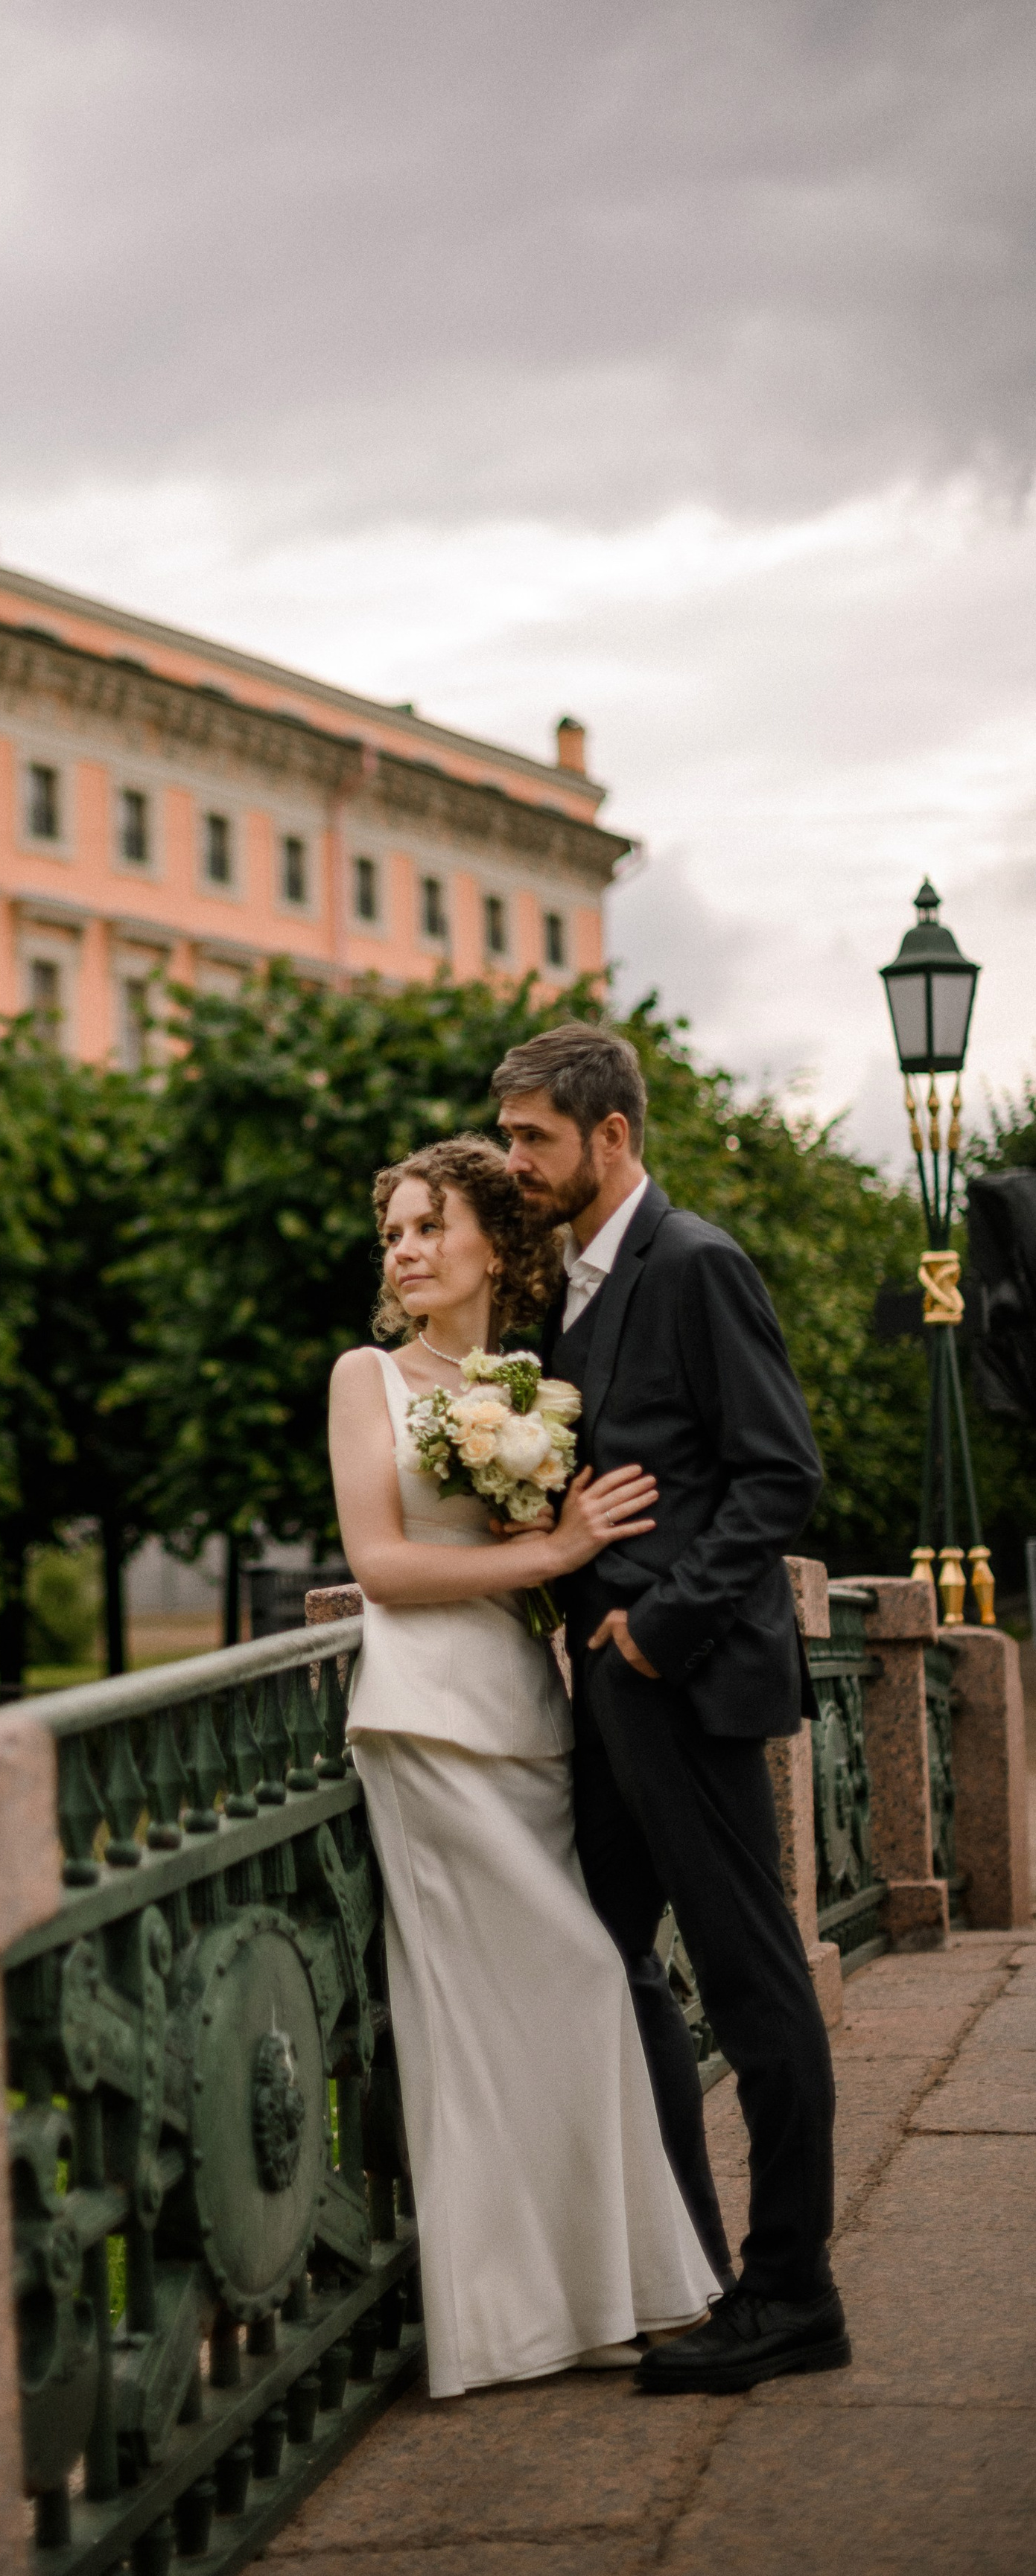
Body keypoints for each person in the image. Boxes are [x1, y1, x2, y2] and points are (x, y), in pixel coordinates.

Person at [328, 1134, 718, 2399]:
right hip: (425, 1721)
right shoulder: (367, 1379)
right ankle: (512, 2320)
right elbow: (381, 1567)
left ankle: (597, 2308)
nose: (405, 1250)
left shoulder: (538, 1385)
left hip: (529, 1719)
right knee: (552, 1995)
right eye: (393, 1233)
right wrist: (551, 1553)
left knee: (554, 2008)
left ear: (493, 1246)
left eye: (428, 1226)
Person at [492, 1018, 847, 2396]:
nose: (516, 1161)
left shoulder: (695, 1263)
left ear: (612, 1134)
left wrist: (657, 1629)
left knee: (754, 1986)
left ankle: (793, 2293)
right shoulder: (569, 1289)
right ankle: (680, 2261)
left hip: (683, 1688)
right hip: (613, 1700)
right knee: (600, 1960)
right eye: (508, 1137)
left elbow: (779, 1473)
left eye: (534, 1138)